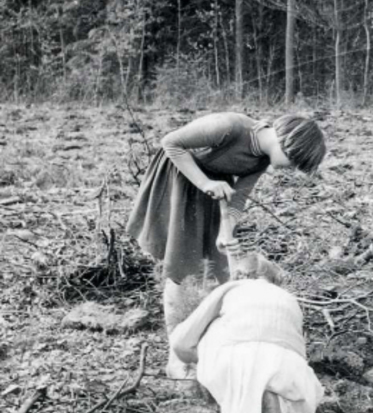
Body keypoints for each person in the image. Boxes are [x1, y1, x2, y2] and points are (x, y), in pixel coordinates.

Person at [126, 112, 326, 379]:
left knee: (213, 270)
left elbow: (238, 200)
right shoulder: (230, 127)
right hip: (178, 179)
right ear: (288, 143)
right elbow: (170, 142)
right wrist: (205, 182)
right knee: (180, 269)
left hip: (211, 192)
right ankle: (176, 359)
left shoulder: (261, 160)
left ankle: (202, 350)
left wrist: (225, 231)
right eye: (294, 162)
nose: (291, 169)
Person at [169, 252, 324, 413]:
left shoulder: (231, 288)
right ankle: (276, 404)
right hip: (287, 368)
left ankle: (251, 401)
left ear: (240, 274)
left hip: (236, 362)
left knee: (214, 328)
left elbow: (181, 341)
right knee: (287, 383)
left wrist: (196, 357)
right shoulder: (289, 298)